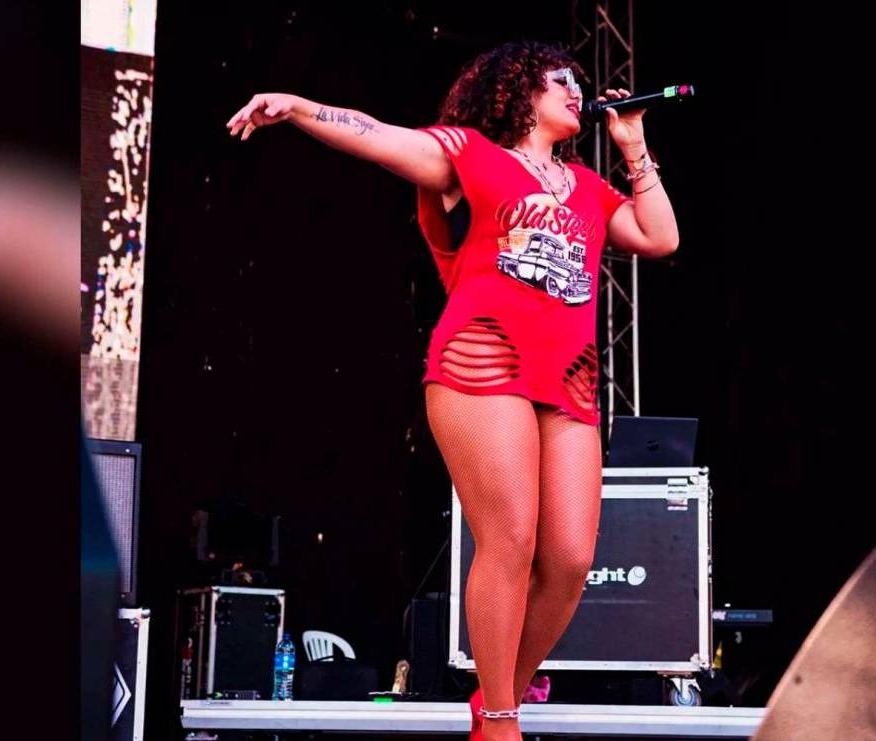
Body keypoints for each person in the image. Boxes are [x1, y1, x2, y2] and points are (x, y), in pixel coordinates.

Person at [227, 40, 678, 741]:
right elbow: (377, 135)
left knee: (571, 560)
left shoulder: (588, 187)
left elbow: (660, 236)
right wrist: (300, 107)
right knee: (512, 537)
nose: (576, 91)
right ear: (518, 91)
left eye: (578, 82)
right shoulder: (473, 155)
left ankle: (499, 697)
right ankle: (499, 721)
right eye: (559, 79)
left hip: (569, 378)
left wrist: (634, 145)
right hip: (483, 360)